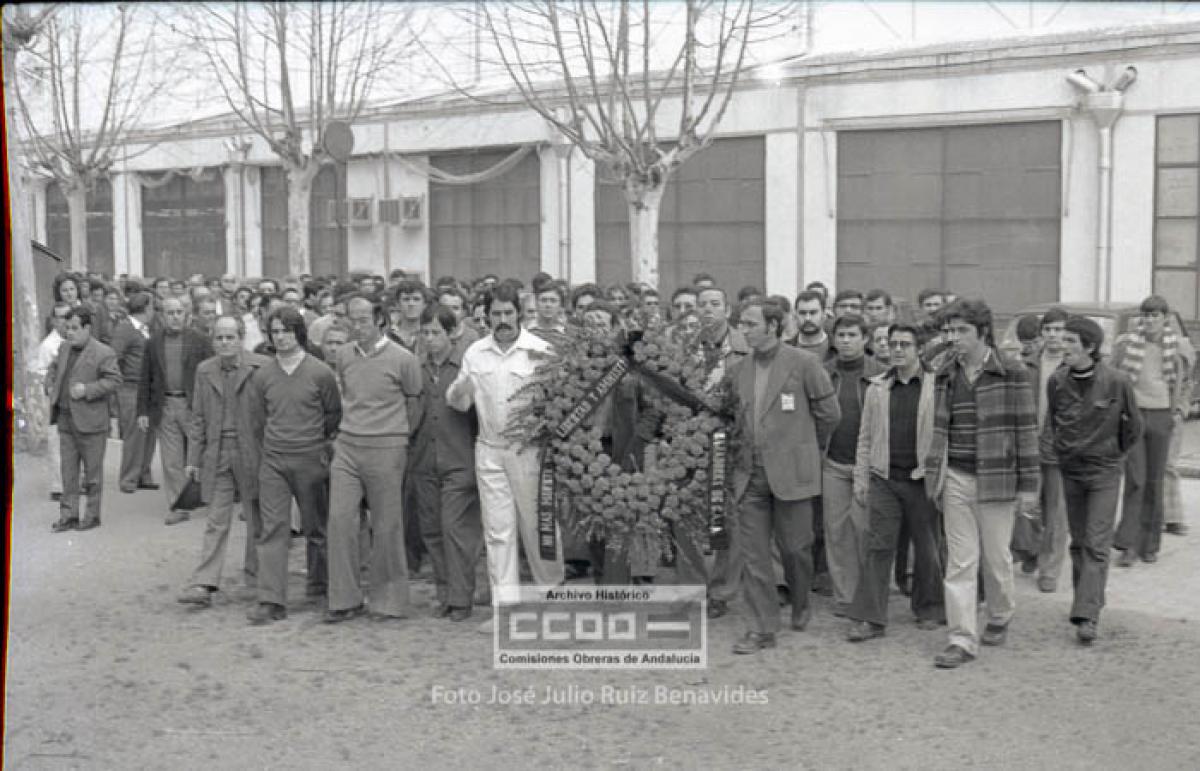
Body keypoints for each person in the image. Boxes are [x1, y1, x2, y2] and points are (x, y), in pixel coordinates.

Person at [925, 299, 1039, 669]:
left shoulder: (1011, 371)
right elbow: (937, 426)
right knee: (960, 562)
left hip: (997, 479)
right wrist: (934, 477)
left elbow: (1025, 431)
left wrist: (1028, 486)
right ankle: (961, 638)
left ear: (983, 332)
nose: (953, 338)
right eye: (949, 331)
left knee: (996, 558)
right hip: (955, 475)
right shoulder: (945, 372)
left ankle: (1001, 613)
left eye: (962, 331)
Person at [446, 283, 564, 633]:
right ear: (486, 315)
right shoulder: (475, 353)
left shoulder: (540, 351)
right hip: (489, 450)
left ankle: (551, 597)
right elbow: (459, 402)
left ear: (519, 312)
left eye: (508, 313)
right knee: (498, 531)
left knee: (538, 525)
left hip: (530, 451)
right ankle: (505, 609)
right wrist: (460, 390)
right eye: (495, 314)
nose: (502, 320)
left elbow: (559, 403)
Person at [729, 299, 840, 654]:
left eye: (749, 324)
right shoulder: (737, 370)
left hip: (793, 473)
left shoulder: (804, 363)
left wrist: (806, 449)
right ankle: (762, 627)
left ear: (773, 326)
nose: (742, 330)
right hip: (750, 475)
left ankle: (801, 598)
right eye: (741, 324)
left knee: (796, 548)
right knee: (754, 554)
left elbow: (830, 414)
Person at [1043, 315, 1143, 645]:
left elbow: (1134, 428)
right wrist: (1060, 451)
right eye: (1063, 340)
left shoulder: (1117, 381)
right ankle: (1086, 601)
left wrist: (1114, 453)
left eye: (1071, 341)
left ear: (1090, 347)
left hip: (1104, 472)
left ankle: (1087, 615)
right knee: (1079, 541)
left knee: (1097, 544)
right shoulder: (1056, 381)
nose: (1063, 345)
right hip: (1071, 470)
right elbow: (1054, 423)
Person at [324, 295, 423, 623]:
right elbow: (348, 396)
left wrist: (399, 438)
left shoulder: (403, 359)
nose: (357, 325)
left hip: (387, 448)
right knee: (339, 520)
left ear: (380, 320)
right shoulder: (343, 356)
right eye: (351, 319)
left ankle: (388, 601)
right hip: (348, 446)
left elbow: (414, 401)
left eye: (364, 319)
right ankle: (344, 599)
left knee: (387, 525)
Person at [845, 323, 945, 642]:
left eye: (905, 344)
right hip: (885, 478)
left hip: (922, 479)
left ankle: (929, 607)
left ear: (919, 349)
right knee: (878, 546)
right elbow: (864, 436)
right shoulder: (877, 388)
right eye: (893, 344)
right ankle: (870, 618)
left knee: (927, 547)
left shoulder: (936, 384)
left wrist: (938, 474)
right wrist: (861, 477)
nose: (898, 349)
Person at [245, 307, 342, 624]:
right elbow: (259, 421)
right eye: (275, 331)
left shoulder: (320, 372)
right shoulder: (262, 375)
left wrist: (319, 445)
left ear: (299, 333)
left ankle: (320, 585)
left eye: (287, 330)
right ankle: (271, 599)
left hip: (311, 458)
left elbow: (332, 414)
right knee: (273, 528)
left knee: (317, 528)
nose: (281, 337)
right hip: (274, 460)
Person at [176, 317, 272, 607]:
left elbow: (271, 414)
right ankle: (204, 583)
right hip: (217, 452)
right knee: (216, 519)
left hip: (253, 451)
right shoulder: (205, 370)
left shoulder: (261, 367)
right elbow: (198, 418)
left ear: (241, 338)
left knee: (257, 516)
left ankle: (259, 578)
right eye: (219, 337)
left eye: (231, 337)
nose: (225, 343)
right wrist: (193, 459)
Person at [410, 304, 483, 621]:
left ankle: (461, 597)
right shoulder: (416, 369)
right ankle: (444, 594)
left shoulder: (466, 369)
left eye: (436, 332)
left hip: (459, 461)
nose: (429, 339)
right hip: (425, 460)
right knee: (432, 530)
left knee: (455, 529)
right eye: (424, 332)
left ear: (452, 333)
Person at [1113, 295, 1189, 567]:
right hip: (1134, 416)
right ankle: (1129, 545)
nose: (1149, 320)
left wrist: (1180, 408)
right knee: (1136, 479)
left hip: (1161, 415)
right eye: (1145, 315)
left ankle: (1150, 544)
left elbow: (1187, 380)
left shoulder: (1177, 348)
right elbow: (1114, 378)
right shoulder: (1127, 345)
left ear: (1165, 318)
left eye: (1155, 316)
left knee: (1155, 481)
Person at [821, 314, 885, 615]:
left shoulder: (881, 375)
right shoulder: (822, 373)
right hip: (832, 463)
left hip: (869, 467)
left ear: (865, 339)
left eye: (852, 335)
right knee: (837, 532)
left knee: (866, 532)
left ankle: (868, 594)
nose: (845, 341)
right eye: (841, 335)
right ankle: (845, 597)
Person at [137, 296, 214, 525]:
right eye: (170, 313)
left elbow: (213, 372)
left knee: (201, 453)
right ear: (162, 316)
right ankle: (178, 506)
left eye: (179, 312)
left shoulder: (199, 340)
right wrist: (142, 411)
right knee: (171, 461)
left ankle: (210, 497)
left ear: (186, 315)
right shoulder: (153, 342)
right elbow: (145, 378)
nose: (175, 317)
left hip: (193, 406)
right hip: (166, 405)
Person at [45, 306, 121, 532]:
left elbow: (115, 380)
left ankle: (92, 515)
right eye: (67, 328)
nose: (70, 333)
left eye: (75, 328)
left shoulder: (104, 352)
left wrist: (87, 389)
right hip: (66, 419)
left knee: (92, 475)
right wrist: (49, 383)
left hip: (92, 421)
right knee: (68, 472)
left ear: (87, 328)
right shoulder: (64, 348)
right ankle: (68, 515)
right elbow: (53, 369)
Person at [110, 291, 158, 494]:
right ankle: (129, 478)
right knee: (134, 434)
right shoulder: (125, 329)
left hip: (147, 388)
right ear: (146, 308)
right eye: (153, 306)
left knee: (148, 433)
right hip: (131, 387)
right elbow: (114, 357)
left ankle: (143, 474)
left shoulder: (144, 330)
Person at [32, 303, 71, 501]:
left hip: (71, 400)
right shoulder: (48, 345)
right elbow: (40, 373)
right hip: (54, 400)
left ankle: (72, 481)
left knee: (71, 442)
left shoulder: (72, 339)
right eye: (61, 317)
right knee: (56, 441)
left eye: (68, 316)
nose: (64, 320)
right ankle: (58, 486)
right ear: (54, 320)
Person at [793, 290, 833, 363]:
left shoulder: (837, 348)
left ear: (824, 314)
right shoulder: (782, 349)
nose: (807, 318)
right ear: (795, 315)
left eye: (813, 313)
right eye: (802, 313)